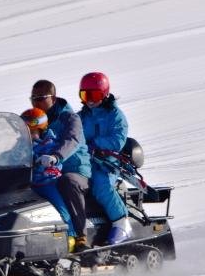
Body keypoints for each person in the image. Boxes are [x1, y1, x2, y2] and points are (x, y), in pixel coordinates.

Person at [29, 80, 91, 252]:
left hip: (75, 168)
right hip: (47, 172)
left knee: (67, 182)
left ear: (53, 98)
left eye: (40, 98)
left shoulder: (70, 118)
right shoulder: (36, 119)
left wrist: (56, 156)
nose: (36, 103)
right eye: (33, 99)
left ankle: (80, 237)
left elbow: (71, 140)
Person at [78, 72, 131, 245]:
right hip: (84, 161)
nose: (90, 100)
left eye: (94, 95)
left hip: (106, 162)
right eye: (85, 95)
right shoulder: (81, 116)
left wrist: (96, 144)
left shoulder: (115, 115)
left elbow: (117, 140)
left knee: (101, 184)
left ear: (104, 94)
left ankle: (121, 222)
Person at [21, 108, 77, 245]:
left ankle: (70, 235)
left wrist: (48, 161)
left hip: (47, 182)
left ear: (41, 130)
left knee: (59, 207)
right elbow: (10, 155)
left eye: (32, 132)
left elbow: (55, 161)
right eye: (26, 132)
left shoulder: (50, 143)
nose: (28, 135)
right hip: (27, 185)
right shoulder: (21, 145)